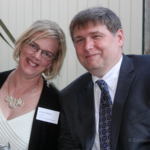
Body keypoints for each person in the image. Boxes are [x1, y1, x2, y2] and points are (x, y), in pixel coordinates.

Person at [58, 6, 150, 150]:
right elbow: (67, 145)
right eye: (80, 40)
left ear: (119, 38)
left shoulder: (147, 72)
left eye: (96, 36)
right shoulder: (69, 96)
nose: (87, 46)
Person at [0, 19, 66, 150]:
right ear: (21, 45)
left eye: (47, 54)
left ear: (52, 62)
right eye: (33, 46)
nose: (36, 56)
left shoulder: (56, 104)